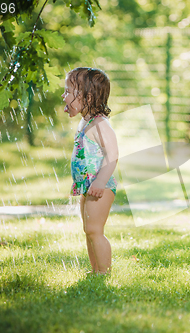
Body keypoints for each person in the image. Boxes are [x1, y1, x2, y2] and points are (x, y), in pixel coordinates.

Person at [62, 67, 119, 275]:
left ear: (87, 97)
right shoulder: (84, 121)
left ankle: (103, 272)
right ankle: (95, 270)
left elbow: (112, 155)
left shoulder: (100, 124)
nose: (64, 96)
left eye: (68, 91)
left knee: (95, 230)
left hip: (100, 187)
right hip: (88, 186)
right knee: (88, 230)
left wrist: (100, 182)